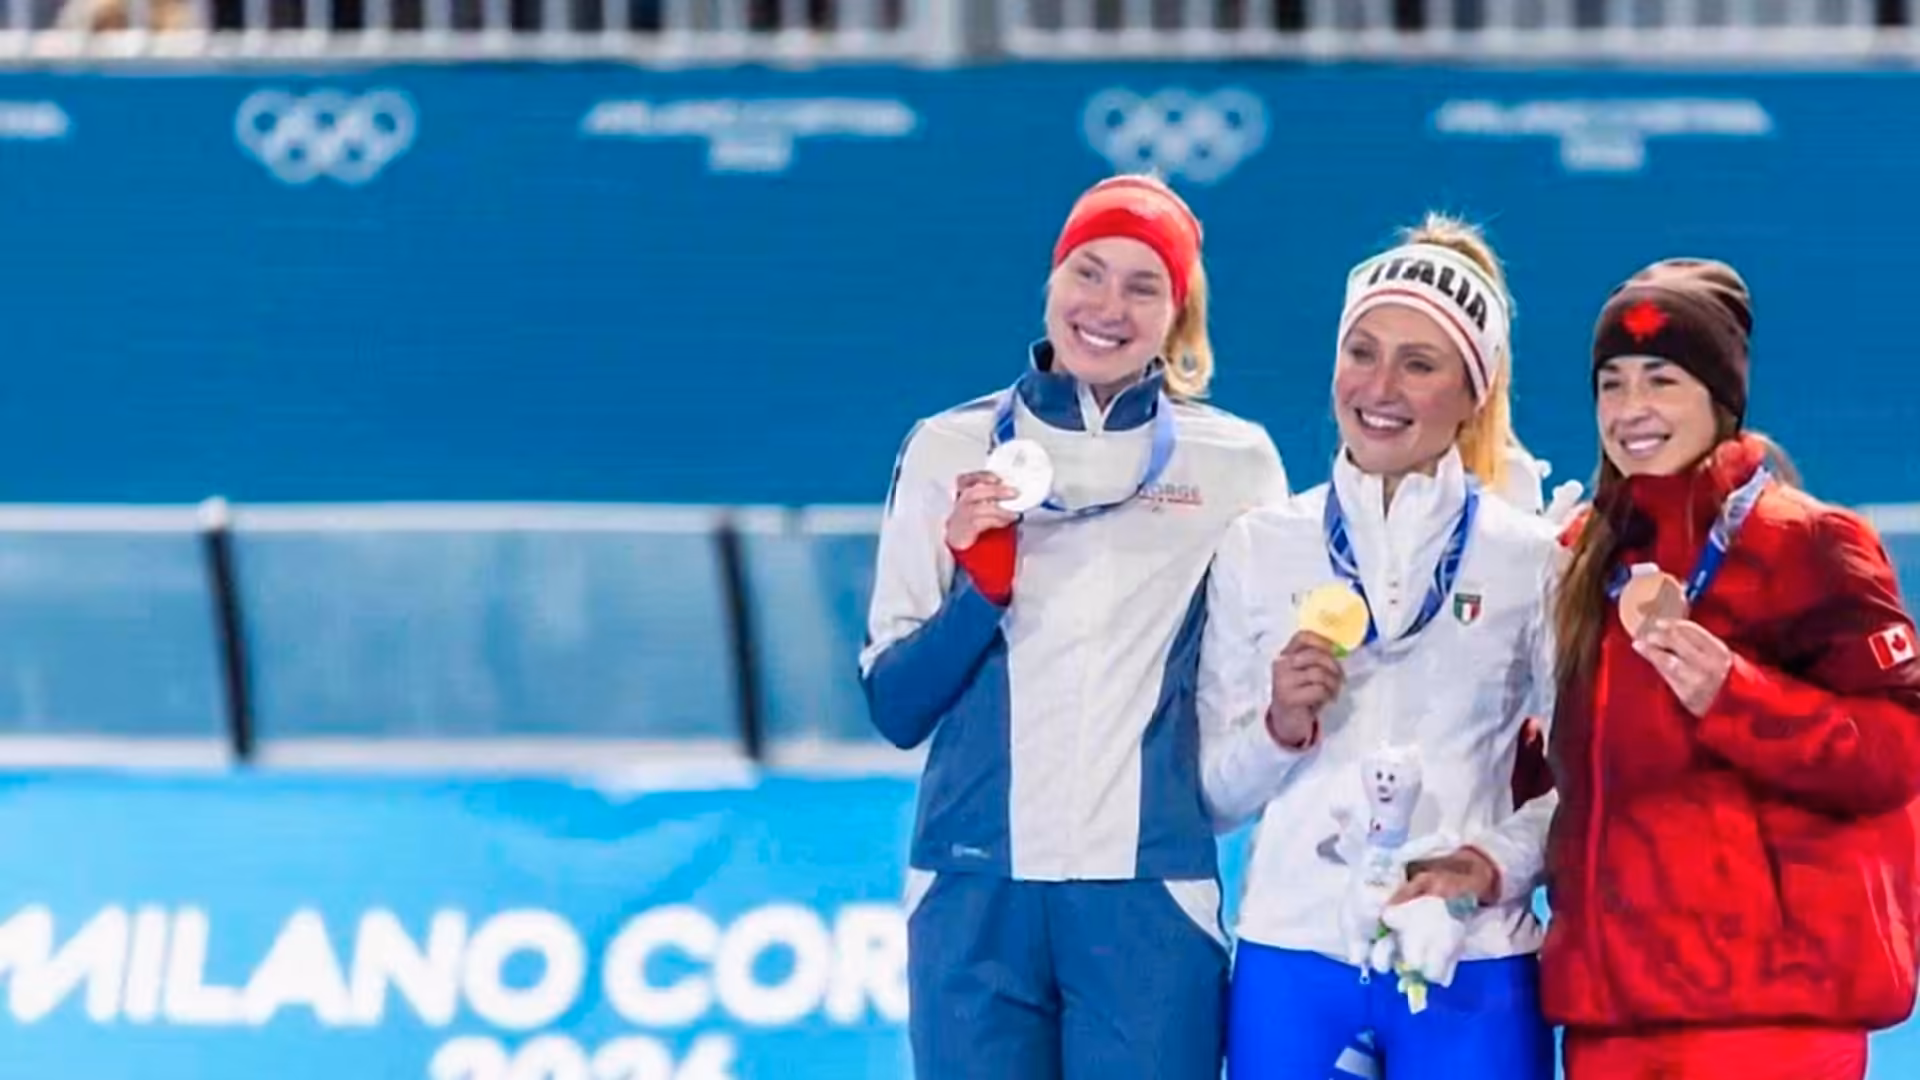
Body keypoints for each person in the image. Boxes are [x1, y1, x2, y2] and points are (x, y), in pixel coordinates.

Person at [859, 173, 1290, 1080]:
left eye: (1144, 286)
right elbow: (897, 707)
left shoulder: (1236, 463)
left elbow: (1252, 686)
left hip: (1148, 894)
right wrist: (980, 590)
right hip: (973, 882)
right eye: (1088, 273)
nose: (1107, 307)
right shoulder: (947, 446)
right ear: (1051, 281)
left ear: (1178, 315)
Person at [1198, 214, 1560, 1079]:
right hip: (1293, 954)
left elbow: (1587, 787)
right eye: (1362, 352)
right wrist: (1279, 725)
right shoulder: (1260, 544)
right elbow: (1211, 798)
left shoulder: (1531, 558)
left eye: (1421, 363)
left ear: (1474, 392)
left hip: (1471, 956)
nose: (1381, 386)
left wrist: (1487, 866)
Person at [1543, 257, 1920, 1079]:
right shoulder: (1583, 556)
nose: (1631, 409)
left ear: (1721, 398)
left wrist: (1734, 694)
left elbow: (1898, 753)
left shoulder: (1811, 543)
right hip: (1613, 1017)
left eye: (1662, 380)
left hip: (1769, 1017)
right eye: (1612, 383)